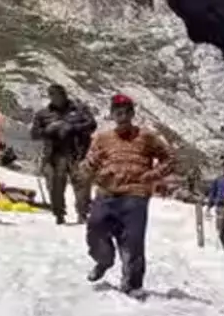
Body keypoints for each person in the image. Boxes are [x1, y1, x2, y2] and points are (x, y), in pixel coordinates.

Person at [82, 94, 173, 296]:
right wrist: (94, 168)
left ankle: (132, 284)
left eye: (126, 113)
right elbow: (87, 166)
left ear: (132, 114)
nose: (122, 117)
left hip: (135, 194)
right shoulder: (102, 138)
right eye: (118, 113)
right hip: (106, 193)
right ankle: (104, 260)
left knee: (133, 240)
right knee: (95, 228)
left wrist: (152, 175)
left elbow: (169, 159)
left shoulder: (147, 137)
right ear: (112, 115)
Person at [29, 83, 96, 225]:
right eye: (52, 94)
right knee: (54, 184)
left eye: (58, 94)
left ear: (64, 94)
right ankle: (59, 214)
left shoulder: (80, 110)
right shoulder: (43, 114)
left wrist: (72, 128)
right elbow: (34, 134)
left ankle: (83, 214)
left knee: (82, 184)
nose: (55, 97)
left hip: (77, 153)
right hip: (54, 155)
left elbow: (91, 124)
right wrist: (48, 130)